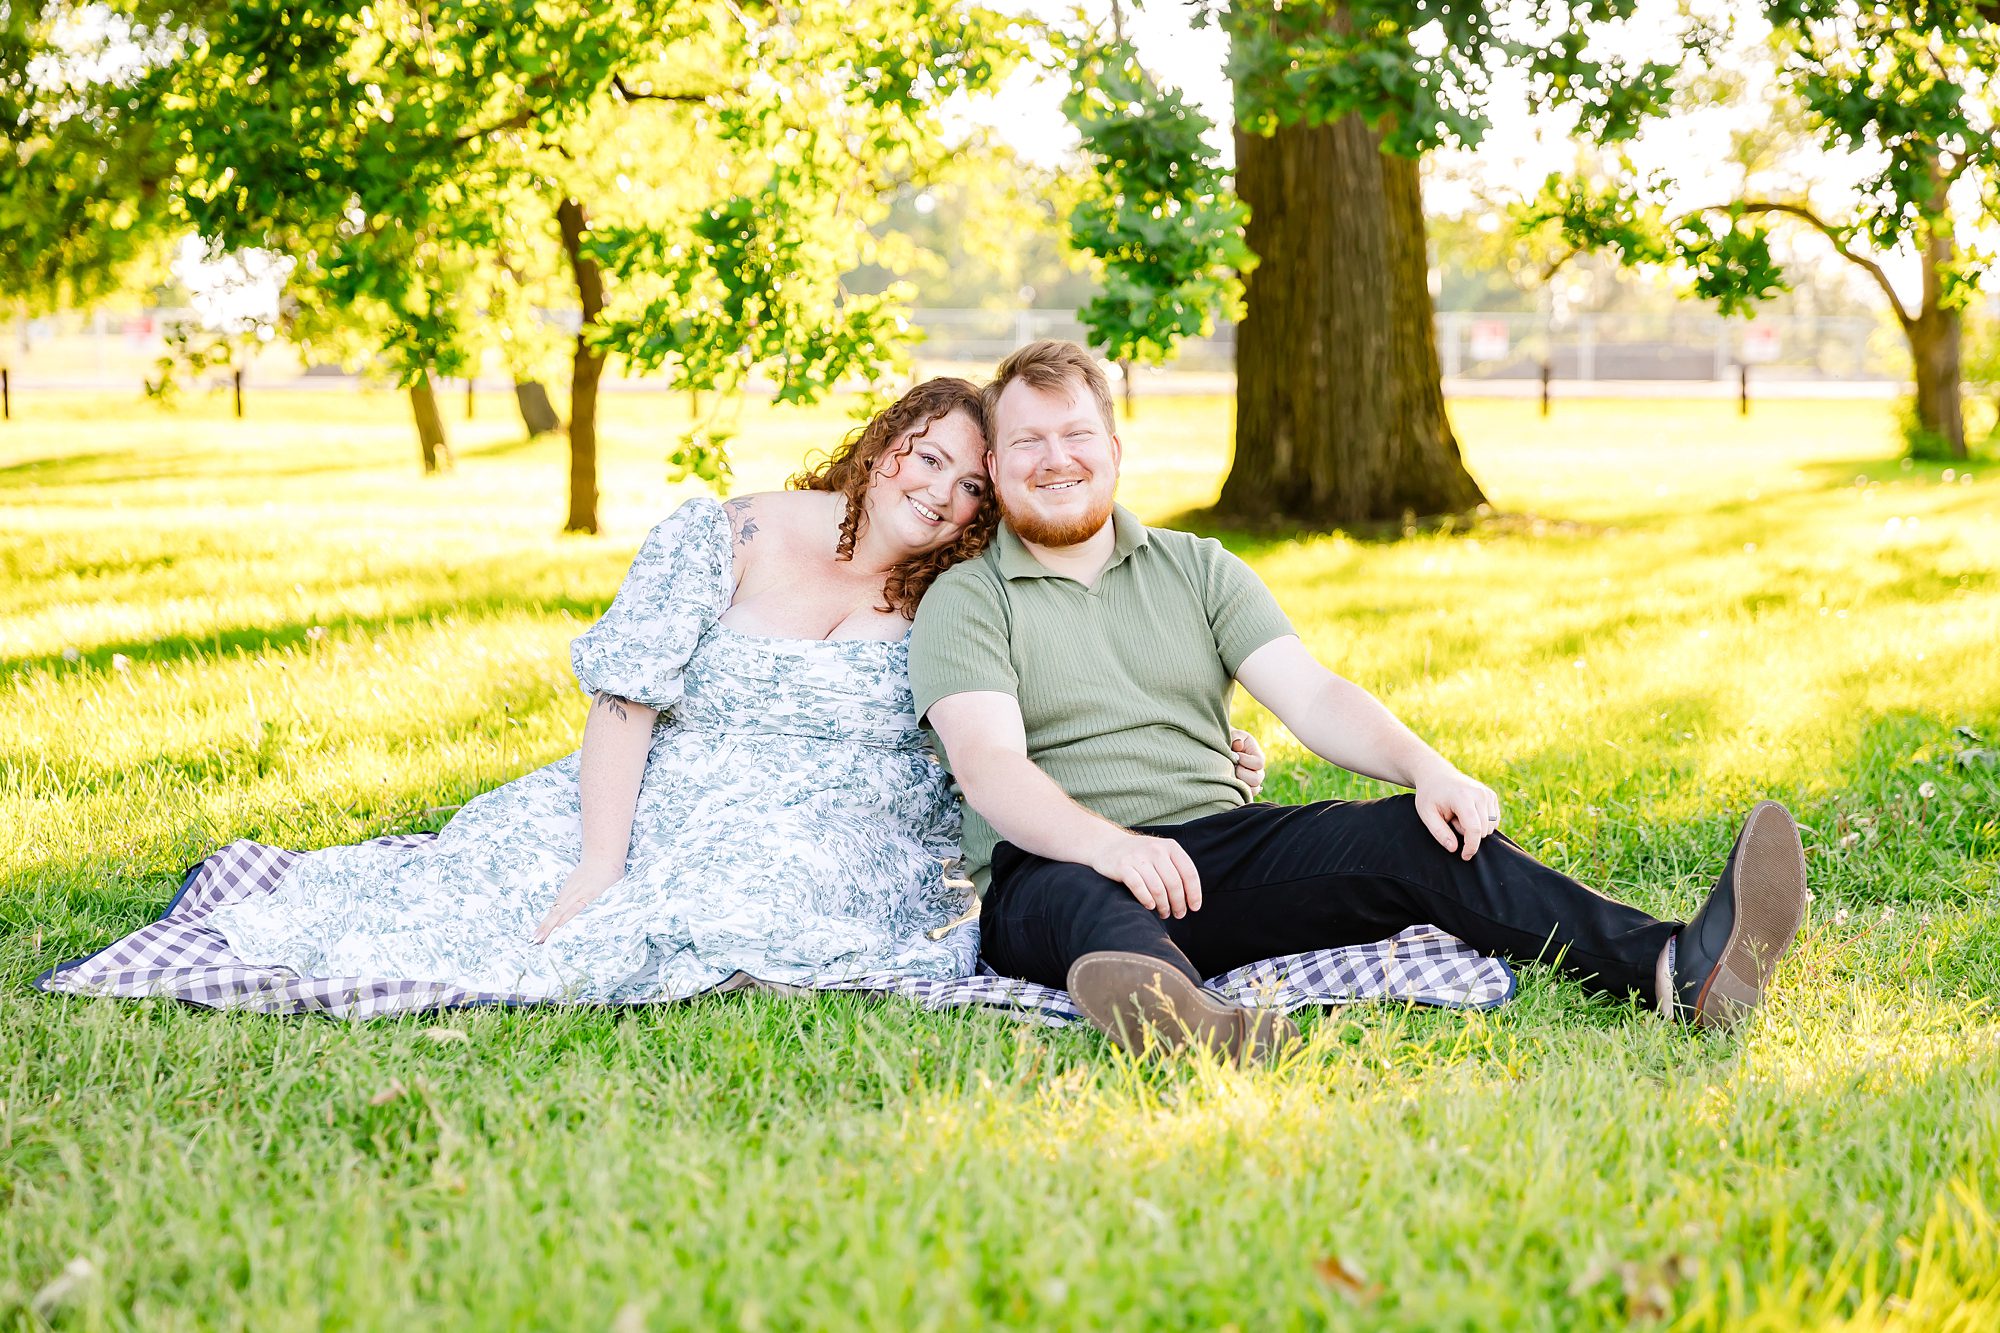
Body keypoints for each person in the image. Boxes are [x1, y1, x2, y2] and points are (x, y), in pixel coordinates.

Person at [908, 340, 1810, 1060]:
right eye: (1027, 441)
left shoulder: (1200, 568)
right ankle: (1187, 1021)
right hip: (1052, 870)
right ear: (996, 460)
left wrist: (1429, 768)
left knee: (1417, 835)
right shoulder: (970, 597)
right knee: (1082, 902)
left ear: (1114, 447)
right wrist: (1112, 847)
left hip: (1211, 860)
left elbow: (1314, 694)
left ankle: (1671, 967)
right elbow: (989, 768)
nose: (1055, 458)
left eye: (1075, 434)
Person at [203, 379, 1005, 1002]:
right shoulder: (732, 533)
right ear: (878, 448)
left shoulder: (961, 592)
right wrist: (600, 856)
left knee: (749, 891)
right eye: (928, 458)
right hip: (663, 793)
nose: (942, 492)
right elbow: (626, 700)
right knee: (500, 883)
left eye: (972, 485)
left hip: (841, 822)